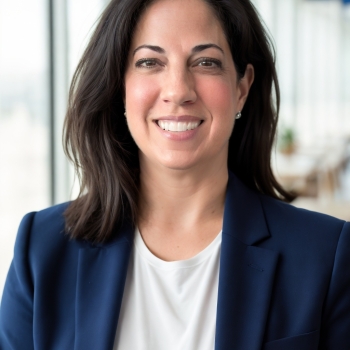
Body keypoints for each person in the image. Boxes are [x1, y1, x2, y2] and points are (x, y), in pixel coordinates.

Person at [1, 0, 350, 348]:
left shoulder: (325, 257)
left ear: (241, 88)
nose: (178, 90)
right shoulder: (41, 251)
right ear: (119, 85)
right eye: (150, 62)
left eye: (206, 62)